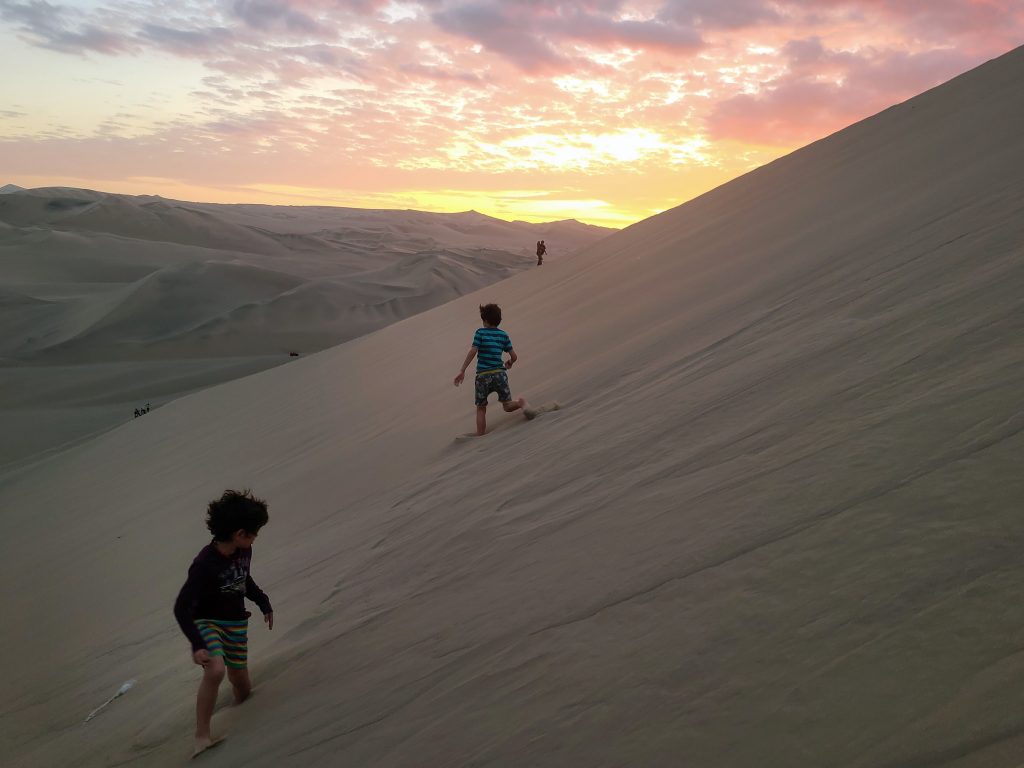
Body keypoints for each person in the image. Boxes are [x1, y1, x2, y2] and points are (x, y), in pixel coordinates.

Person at [173, 489, 274, 758]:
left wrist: (263, 602)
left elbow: (244, 579)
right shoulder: (204, 564)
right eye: (254, 532)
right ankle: (201, 736)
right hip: (207, 622)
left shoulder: (244, 551)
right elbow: (181, 607)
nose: (256, 538)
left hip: (236, 623)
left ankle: (239, 708)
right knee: (216, 670)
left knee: (242, 683)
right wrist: (197, 644)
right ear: (240, 534)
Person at [453, 303, 530, 436]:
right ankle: (520, 403)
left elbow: (473, 351)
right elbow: (514, 356)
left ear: (485, 320)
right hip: (500, 374)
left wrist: (462, 370)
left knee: (481, 408)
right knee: (507, 406)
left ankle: (480, 435)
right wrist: (510, 362)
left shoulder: (480, 333)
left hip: (483, 376)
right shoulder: (503, 335)